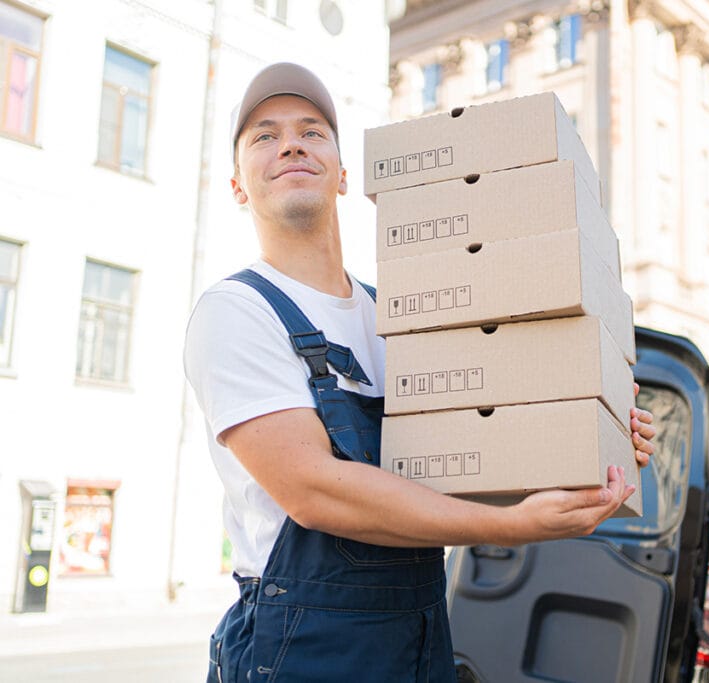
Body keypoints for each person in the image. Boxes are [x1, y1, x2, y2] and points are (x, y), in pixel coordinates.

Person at [184, 62, 656, 683]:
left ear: (344, 176)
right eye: (264, 137)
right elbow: (314, 491)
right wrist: (512, 526)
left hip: (419, 632)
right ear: (238, 186)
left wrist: (597, 423)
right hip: (303, 646)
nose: (291, 144)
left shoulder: (405, 316)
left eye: (311, 131)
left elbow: (483, 442)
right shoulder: (237, 311)